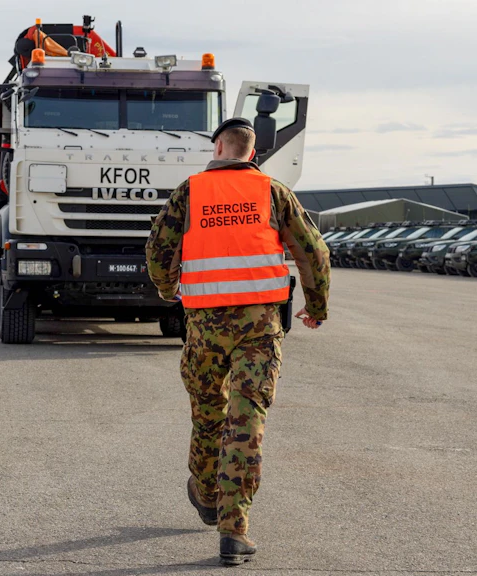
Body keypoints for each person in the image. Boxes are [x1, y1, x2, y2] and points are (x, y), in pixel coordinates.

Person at [145, 117, 331, 566]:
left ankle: (207, 494)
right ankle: (234, 531)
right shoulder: (273, 191)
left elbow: (158, 251)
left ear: (217, 147)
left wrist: (169, 289)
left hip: (204, 328)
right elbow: (313, 251)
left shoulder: (190, 192)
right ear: (252, 152)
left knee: (208, 416)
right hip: (258, 331)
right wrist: (317, 305)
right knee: (245, 423)